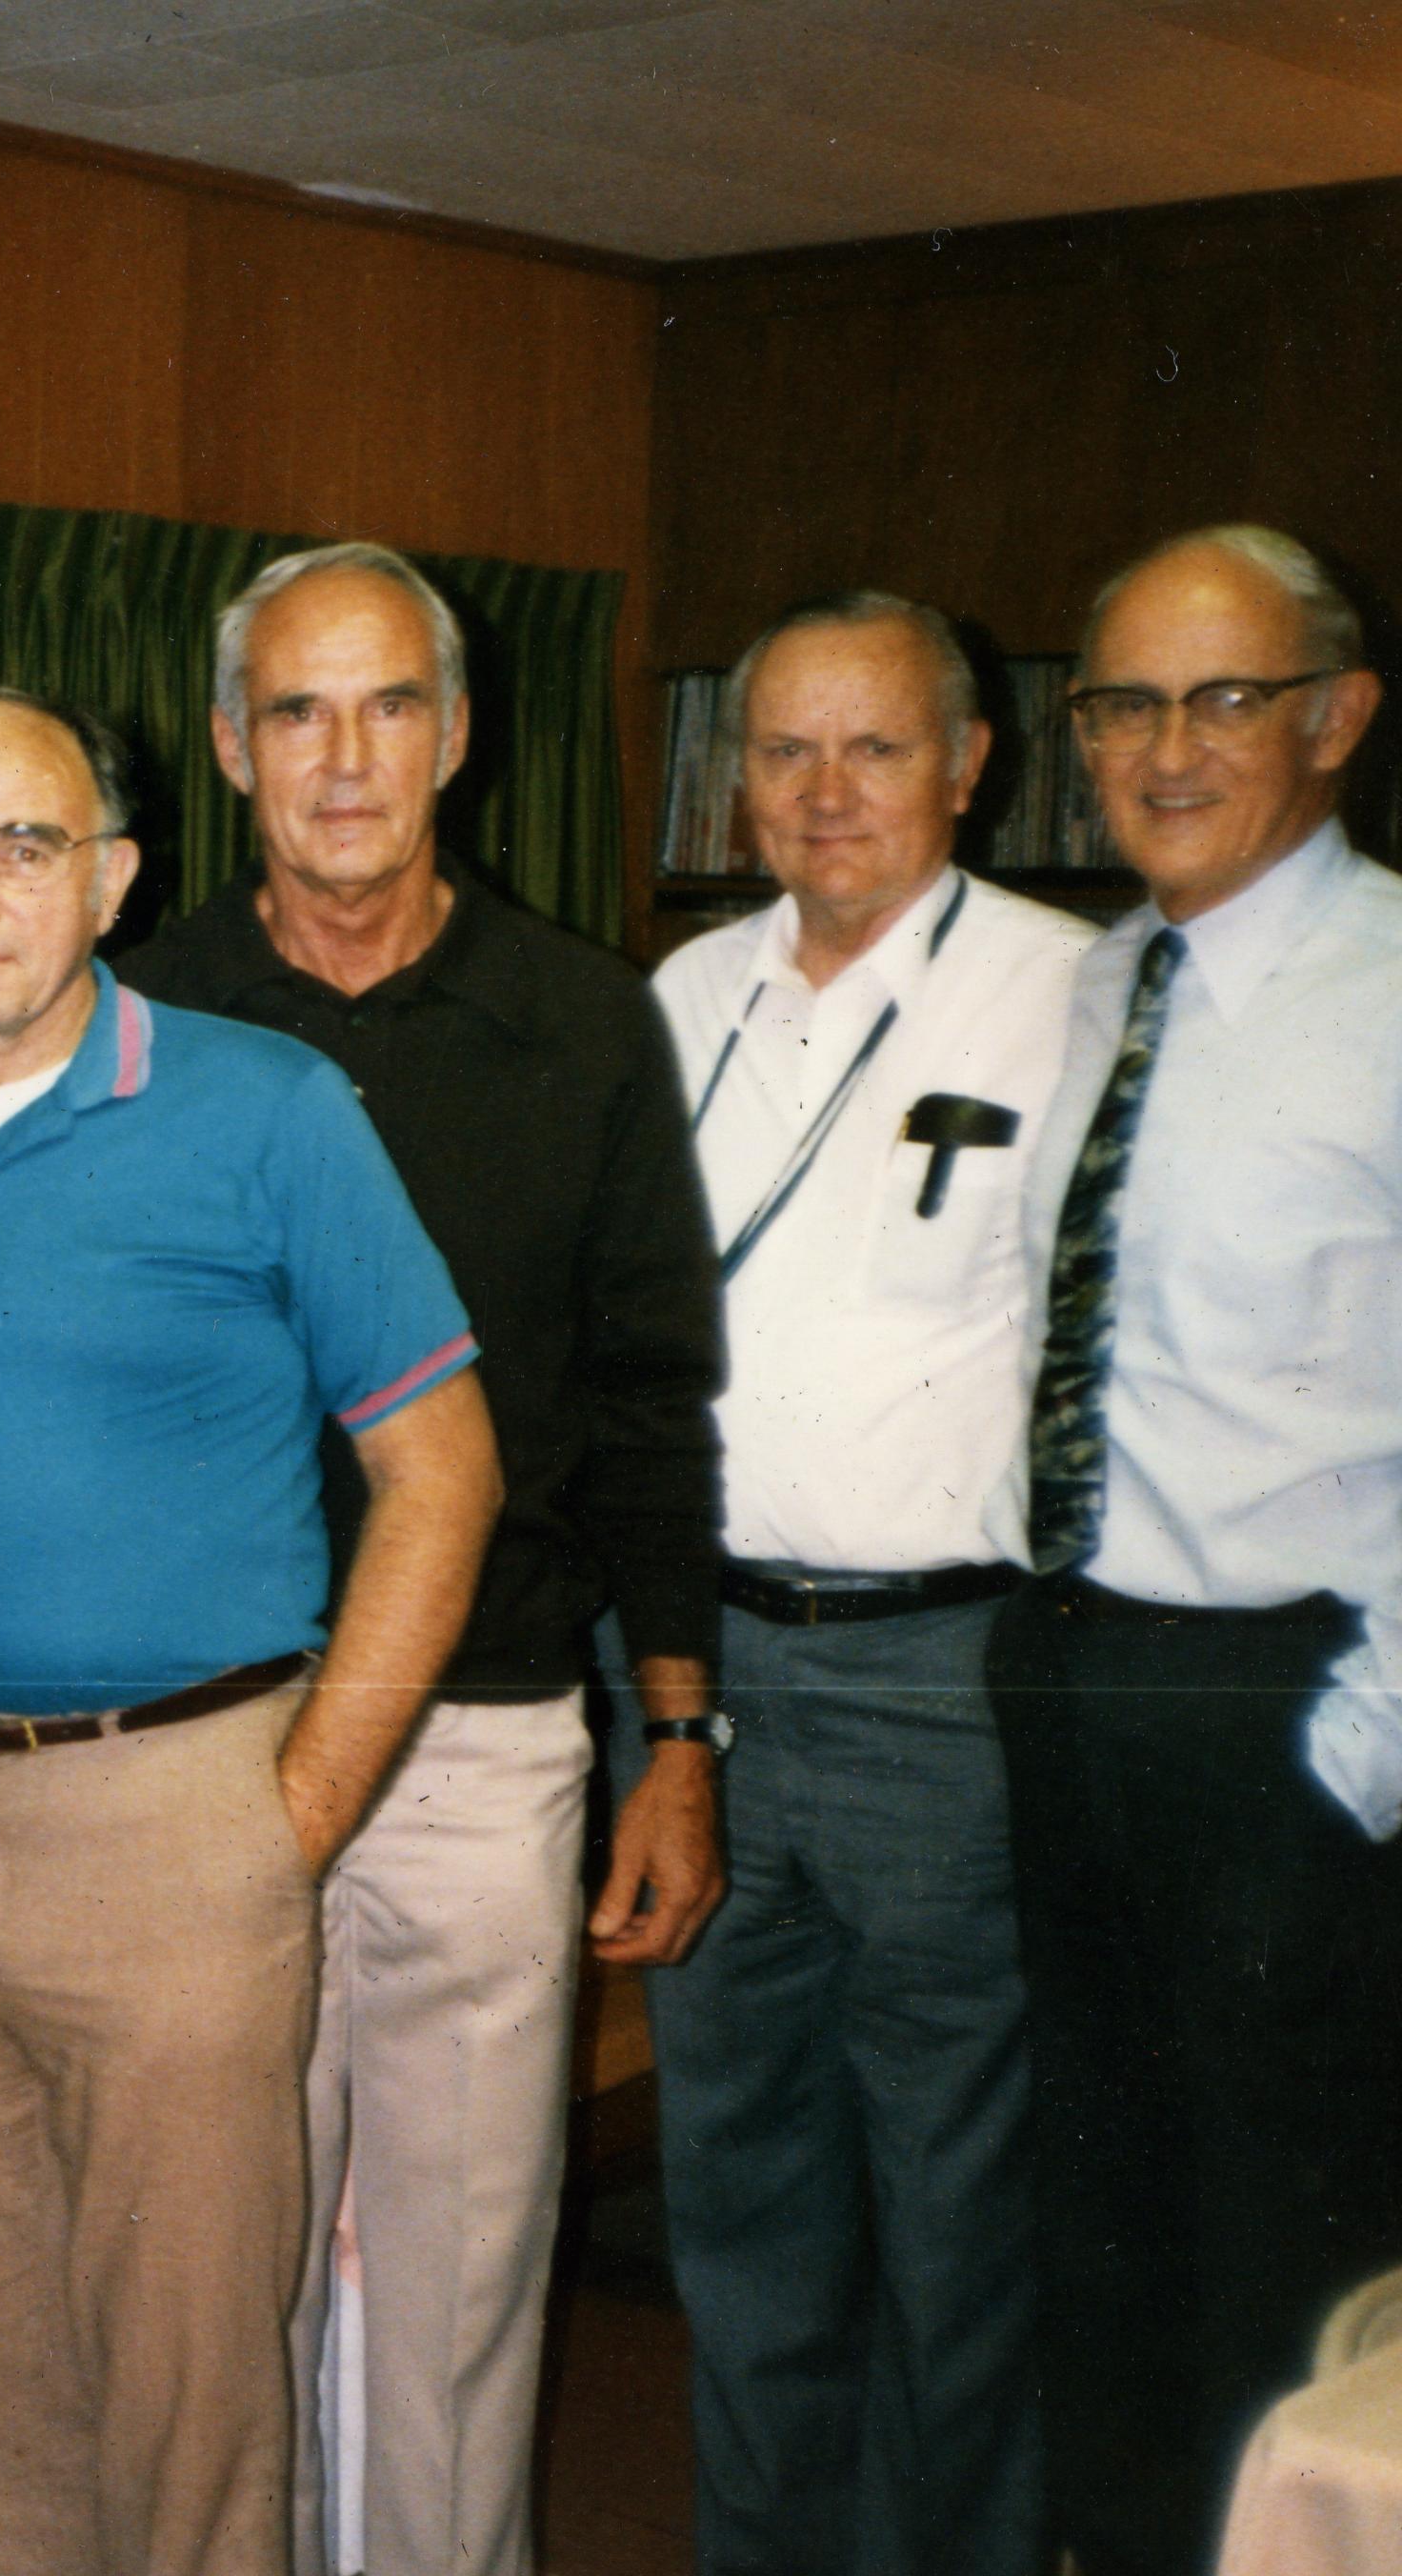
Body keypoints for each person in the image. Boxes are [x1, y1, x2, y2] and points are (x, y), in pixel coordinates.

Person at [0, 684, 501, 2576]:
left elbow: (442, 1475)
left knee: (191, 2405)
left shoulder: (268, 1109)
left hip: (171, 1822)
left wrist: (291, 1814)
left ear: (113, 877)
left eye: (25, 846)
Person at [130, 542, 727, 2576]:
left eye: (391, 704)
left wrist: (680, 1736)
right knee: (231, 2298)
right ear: (232, 749)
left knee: (462, 2310)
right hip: (206, 1747)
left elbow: (651, 1402)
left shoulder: (584, 1023)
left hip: (487, 1743)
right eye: (297, 710)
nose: (346, 756)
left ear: (458, 734)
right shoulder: (141, 1019)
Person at [635, 594, 1088, 2576]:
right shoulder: (683, 994)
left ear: (971, 763)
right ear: (737, 779)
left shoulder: (1073, 996)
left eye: (876, 747)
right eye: (785, 750)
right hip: (703, 1675)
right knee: (737, 2200)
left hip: (944, 1680)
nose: (826, 793)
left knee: (963, 2216)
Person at [990, 524, 1402, 2576]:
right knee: (1099, 2227)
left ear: (1337, 717)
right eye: (1122, 702)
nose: (1165, 749)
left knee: (1279, 2251)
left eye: (1225, 697)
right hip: (1075, 1667)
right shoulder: (1100, 980)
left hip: (1284, 1705)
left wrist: (1357, 1745)